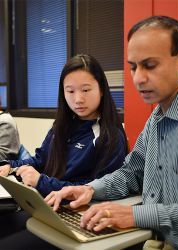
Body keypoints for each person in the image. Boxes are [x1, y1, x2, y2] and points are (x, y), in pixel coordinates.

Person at [45, 16, 178, 250]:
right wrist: (90, 189)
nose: (138, 78)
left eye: (149, 65)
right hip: (160, 237)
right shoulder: (157, 117)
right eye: (133, 67)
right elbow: (132, 172)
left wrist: (136, 215)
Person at [0, 54, 128, 197]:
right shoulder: (61, 126)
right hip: (47, 201)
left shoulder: (111, 136)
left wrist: (41, 182)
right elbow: (40, 160)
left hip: (80, 211)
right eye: (70, 91)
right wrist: (10, 166)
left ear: (102, 89)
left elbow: (96, 190)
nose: (78, 99)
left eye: (86, 90)